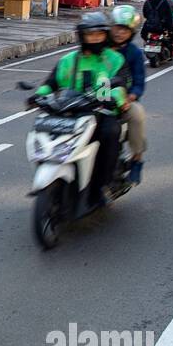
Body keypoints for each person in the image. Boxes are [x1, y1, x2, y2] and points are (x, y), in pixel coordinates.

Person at [31, 11, 127, 208]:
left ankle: (103, 185)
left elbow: (121, 84)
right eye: (90, 34)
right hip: (69, 112)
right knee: (44, 131)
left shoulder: (114, 59)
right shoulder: (68, 60)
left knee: (110, 132)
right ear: (81, 36)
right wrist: (38, 95)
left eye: (99, 34)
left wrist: (114, 98)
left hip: (101, 112)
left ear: (105, 35)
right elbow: (51, 83)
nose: (94, 38)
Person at [109, 5, 147, 185]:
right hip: (96, 98)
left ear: (131, 32)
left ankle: (137, 158)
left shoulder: (134, 53)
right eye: (117, 28)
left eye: (124, 30)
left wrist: (129, 97)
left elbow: (139, 82)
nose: (119, 33)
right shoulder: (100, 47)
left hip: (123, 101)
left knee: (137, 115)